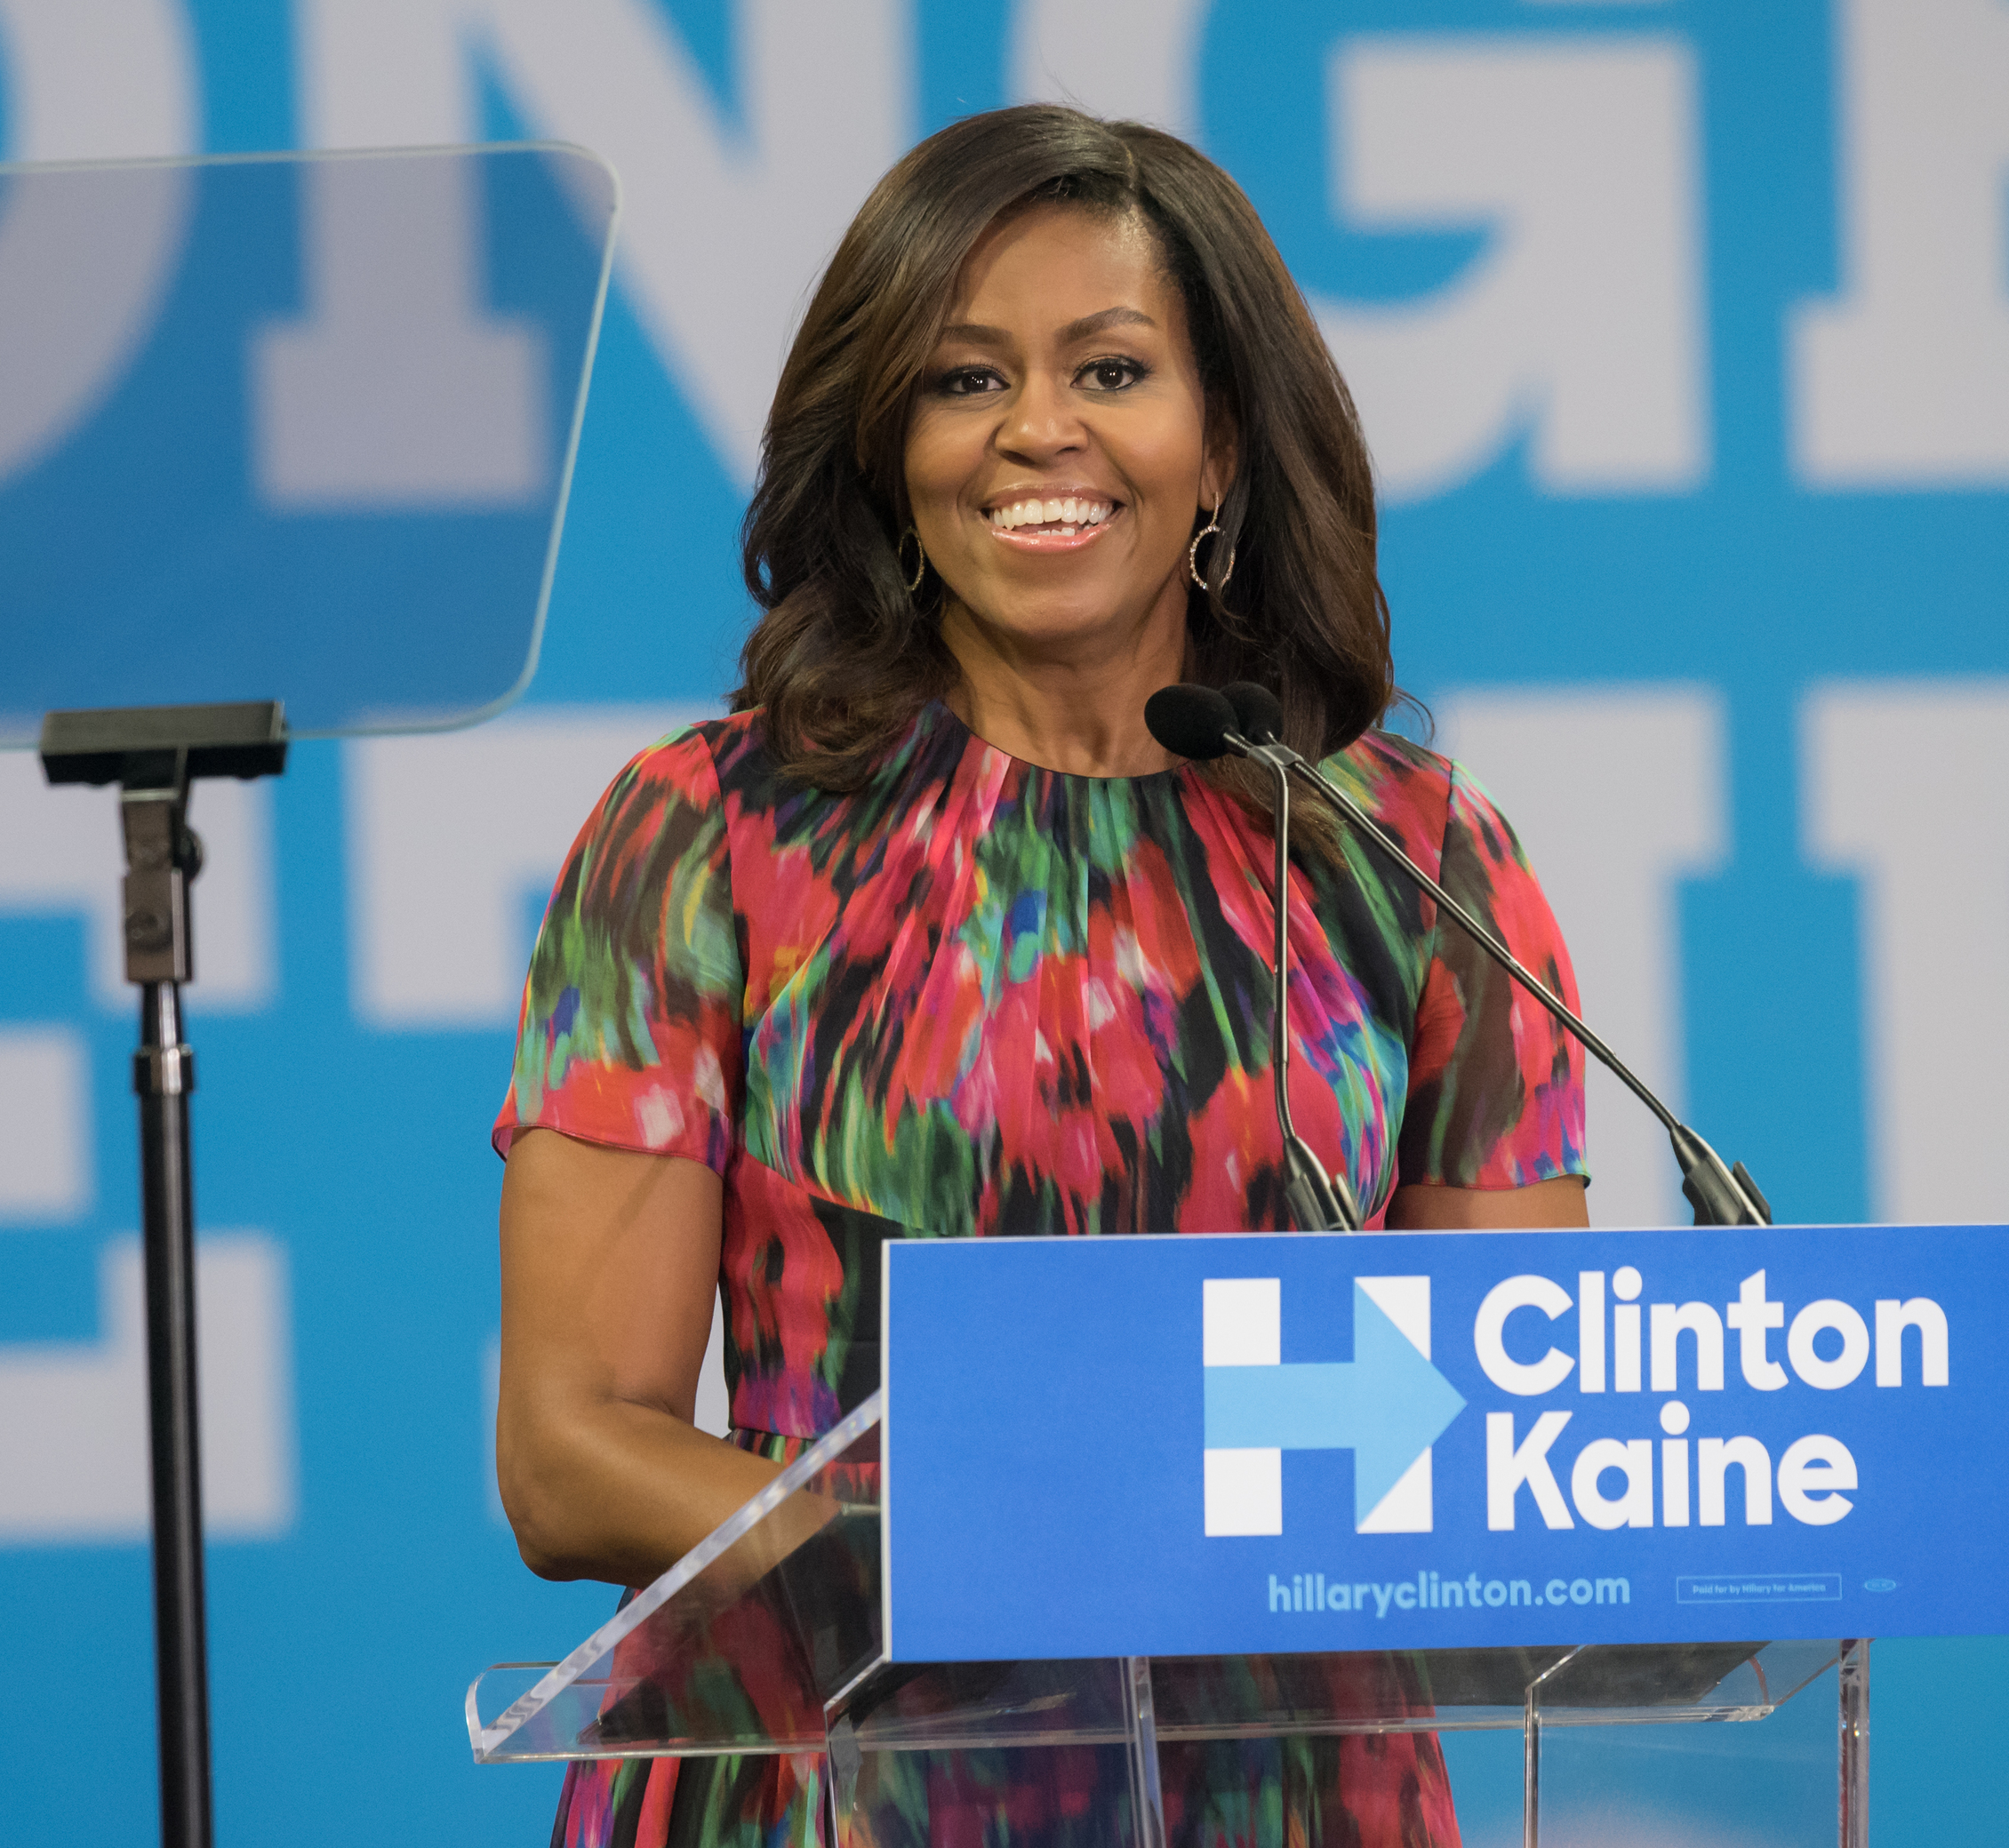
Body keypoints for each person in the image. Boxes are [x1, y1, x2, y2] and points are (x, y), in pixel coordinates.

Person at [492, 103, 1591, 1848]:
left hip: (1284, 1790)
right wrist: (963, 1549)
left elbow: (1504, 1448)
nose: (1036, 432)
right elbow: (569, 1453)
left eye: (1111, 368)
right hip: (828, 1786)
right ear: (889, 443)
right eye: (963, 378)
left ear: (1222, 440)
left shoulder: (1413, 861)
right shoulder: (709, 836)